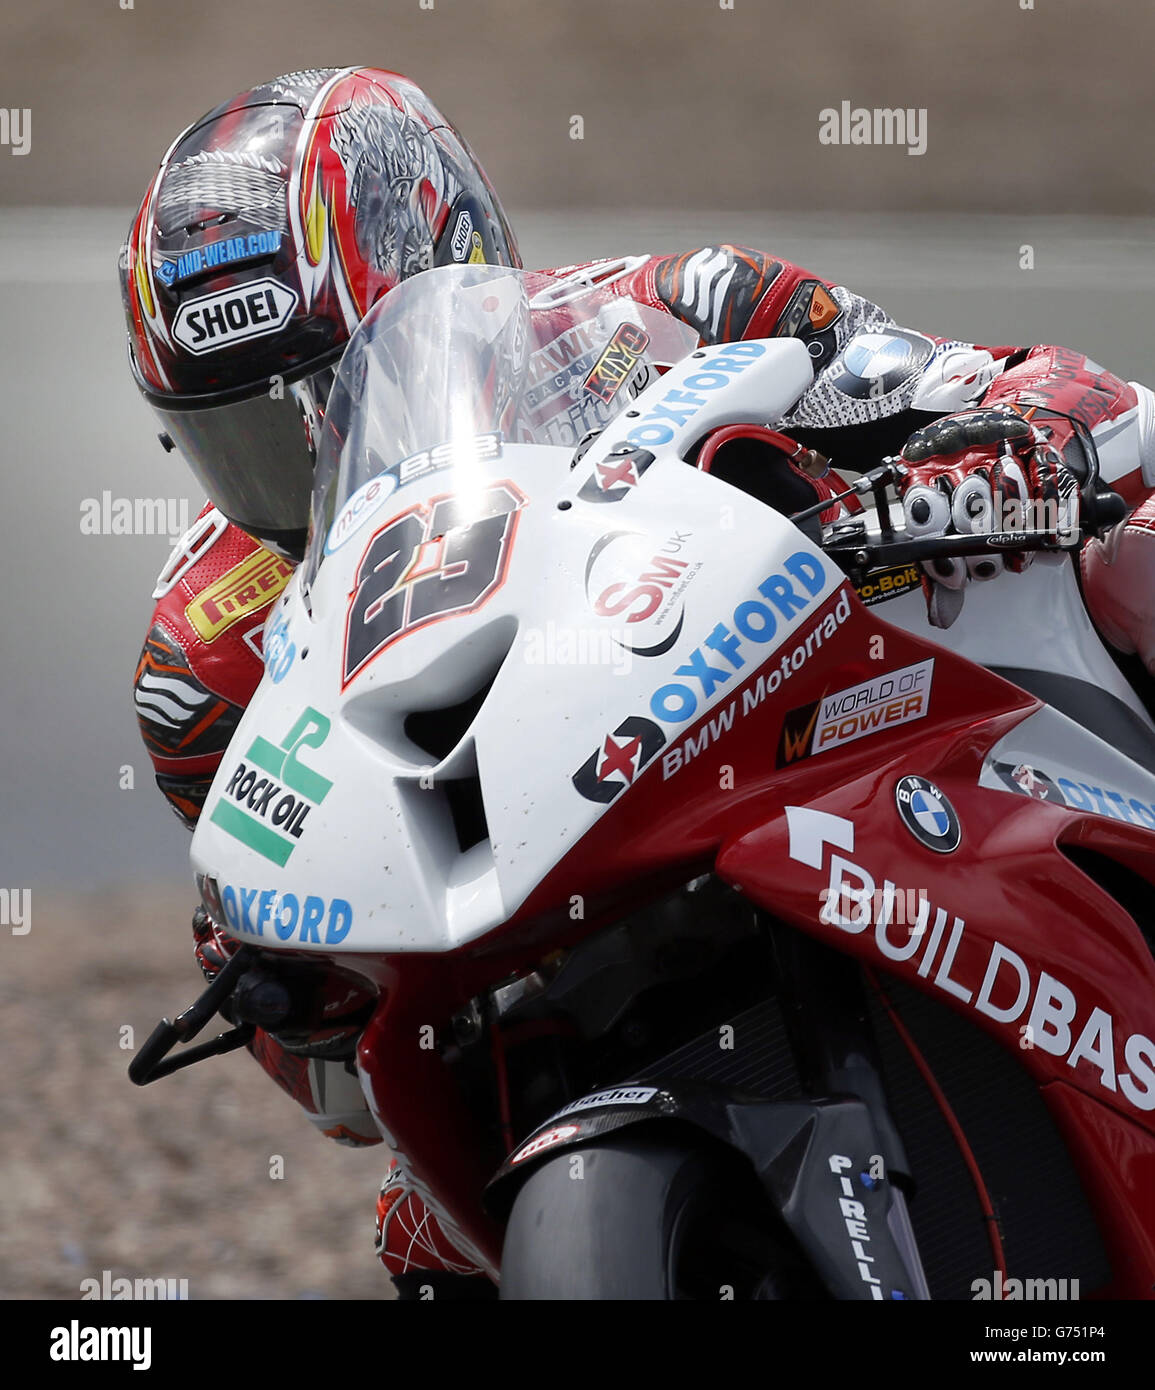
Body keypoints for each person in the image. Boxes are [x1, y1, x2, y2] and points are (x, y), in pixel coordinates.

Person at [123, 68, 1155, 1298]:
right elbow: (314, 1054)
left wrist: (1003, 442)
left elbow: (1007, 383)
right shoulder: (202, 651)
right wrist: (287, 985)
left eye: (331, 394)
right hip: (527, 966)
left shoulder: (674, 310)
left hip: (823, 727)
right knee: (420, 1239)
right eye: (243, 435)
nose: (306, 461)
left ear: (435, 263)